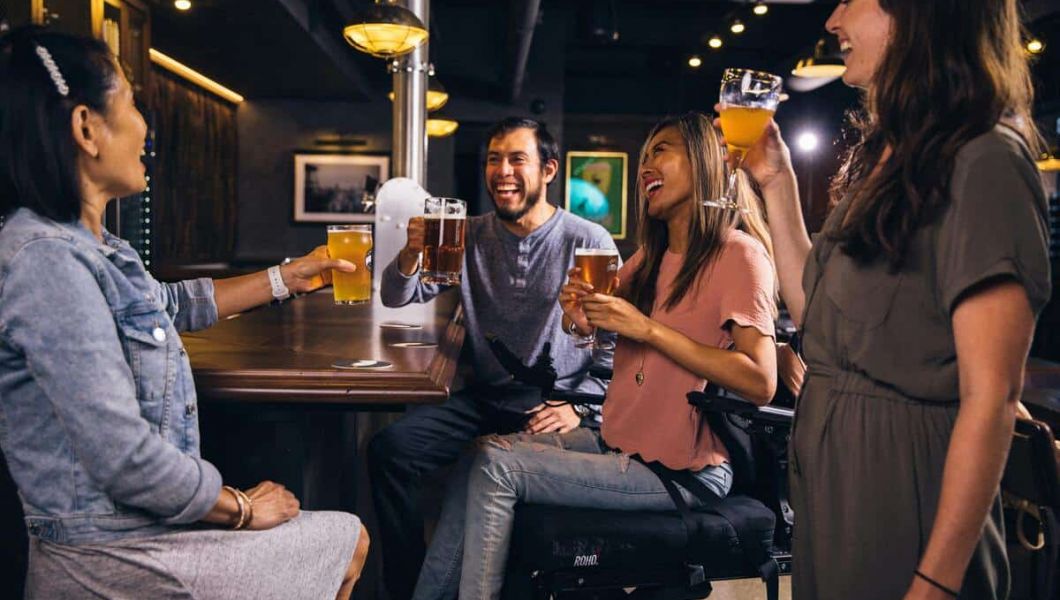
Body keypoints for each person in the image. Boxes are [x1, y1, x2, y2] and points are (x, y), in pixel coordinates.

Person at [0, 27, 369, 599]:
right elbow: (126, 459)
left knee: (343, 537)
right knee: (349, 538)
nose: (147, 126)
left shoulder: (100, 249)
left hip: (146, 528)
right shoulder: (45, 261)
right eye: (131, 103)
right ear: (85, 129)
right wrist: (242, 507)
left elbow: (169, 305)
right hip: (107, 554)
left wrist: (289, 276)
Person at [732, 1, 1051, 598]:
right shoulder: (889, 155)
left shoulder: (985, 160)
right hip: (835, 487)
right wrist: (777, 183)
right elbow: (815, 313)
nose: (832, 20)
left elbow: (993, 398)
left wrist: (935, 580)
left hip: (906, 494)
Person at [412, 112, 780, 599]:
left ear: (704, 162)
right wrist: (577, 317)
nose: (646, 164)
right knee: (476, 459)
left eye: (661, 150)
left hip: (684, 470)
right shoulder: (652, 257)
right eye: (645, 154)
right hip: (622, 441)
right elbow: (589, 331)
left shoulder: (737, 253)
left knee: (497, 466)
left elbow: (760, 380)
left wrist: (647, 329)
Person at [369, 117, 618, 599]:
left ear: (548, 170)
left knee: (489, 487)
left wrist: (581, 407)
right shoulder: (466, 235)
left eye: (516, 159)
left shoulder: (588, 241)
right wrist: (408, 254)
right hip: (484, 400)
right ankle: (404, 586)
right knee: (390, 450)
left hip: (554, 404)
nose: (502, 171)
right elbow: (398, 296)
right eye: (493, 159)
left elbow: (616, 345)